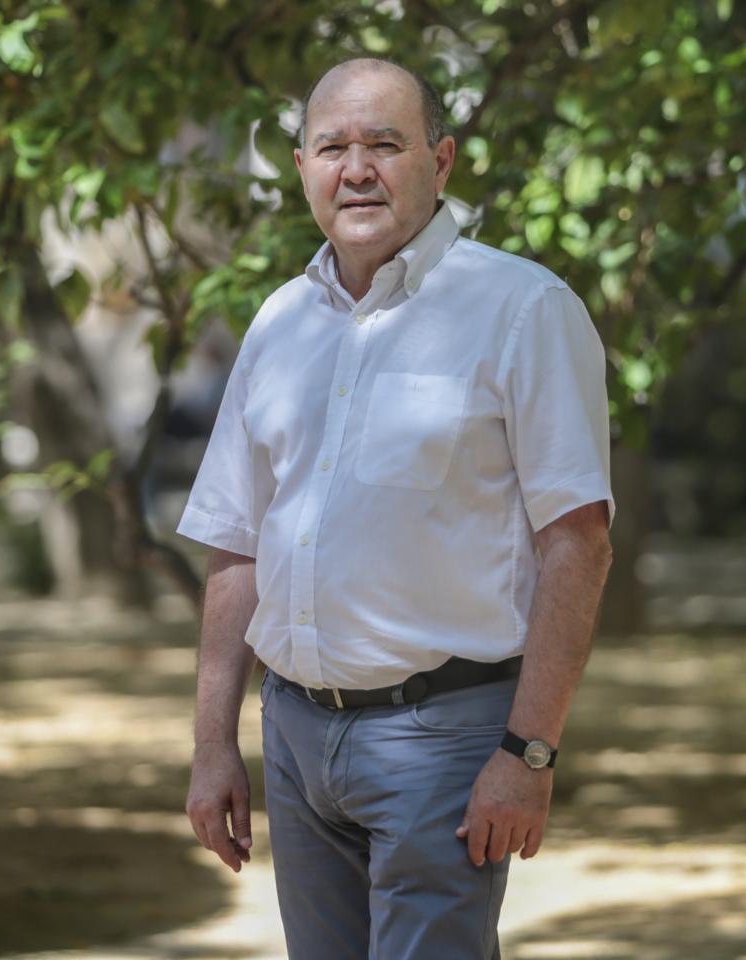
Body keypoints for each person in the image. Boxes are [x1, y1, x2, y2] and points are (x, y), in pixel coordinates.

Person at [178, 56, 614, 960]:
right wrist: (213, 744)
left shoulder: (524, 309)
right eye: (332, 146)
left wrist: (529, 755)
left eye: (386, 143)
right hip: (295, 739)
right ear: (302, 169)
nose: (358, 168)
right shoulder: (279, 323)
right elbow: (235, 544)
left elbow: (579, 542)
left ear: (442, 161)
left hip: (443, 743)